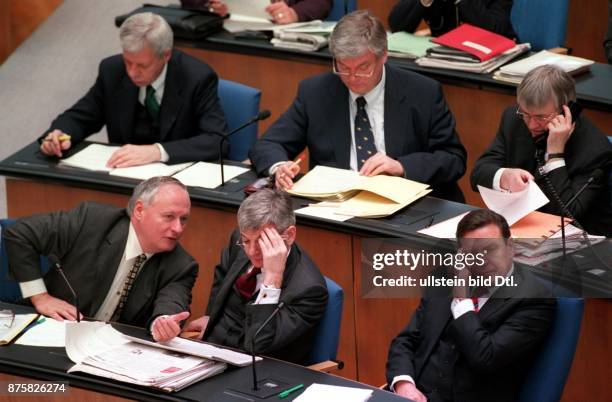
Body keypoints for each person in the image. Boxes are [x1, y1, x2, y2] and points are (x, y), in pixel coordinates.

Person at [249, 10, 467, 202]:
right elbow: (267, 144)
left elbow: (453, 159)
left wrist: (401, 166)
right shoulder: (316, 92)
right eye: (343, 67)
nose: (352, 78)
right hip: (337, 206)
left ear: (383, 56)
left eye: (363, 68)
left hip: (407, 209)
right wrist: (280, 168)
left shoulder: (422, 93)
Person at [386, 209, 556, 402]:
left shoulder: (533, 300)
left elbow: (486, 358)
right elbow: (406, 341)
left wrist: (461, 301)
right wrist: (404, 384)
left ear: (510, 247)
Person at [4, 176, 198, 339]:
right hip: (51, 330)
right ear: (139, 210)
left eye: (184, 219)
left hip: (109, 352)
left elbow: (172, 302)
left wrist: (163, 322)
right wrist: (41, 297)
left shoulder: (181, 265)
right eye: (169, 217)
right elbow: (19, 234)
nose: (178, 228)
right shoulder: (91, 222)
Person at [154, 189, 328, 364]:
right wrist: (211, 316)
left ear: (289, 235)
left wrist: (272, 279)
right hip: (210, 351)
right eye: (246, 241)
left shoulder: (309, 290)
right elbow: (222, 275)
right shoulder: (239, 239)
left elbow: (258, 345)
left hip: (257, 370)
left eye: (262, 242)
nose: (251, 251)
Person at [40, 12, 227, 167]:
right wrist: (59, 134)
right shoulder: (112, 70)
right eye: (128, 62)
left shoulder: (197, 77)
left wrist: (157, 151)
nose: (132, 72)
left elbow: (217, 140)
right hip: (123, 175)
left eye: (142, 65)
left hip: (175, 181)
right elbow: (81, 116)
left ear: (166, 55)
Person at [471, 65, 612, 236]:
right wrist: (504, 176)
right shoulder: (513, 119)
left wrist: (554, 155)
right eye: (525, 113)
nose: (531, 124)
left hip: (580, 243)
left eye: (541, 117)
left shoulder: (595, 150)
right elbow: (477, 175)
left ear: (566, 110)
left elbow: (567, 214)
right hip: (522, 230)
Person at [388, 0, 515, 38]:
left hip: (484, 63)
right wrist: (423, 2)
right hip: (440, 62)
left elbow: (497, 29)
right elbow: (397, 26)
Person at [182, 0, 332, 24]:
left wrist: (295, 13)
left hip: (281, 36)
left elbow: (322, 2)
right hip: (227, 30)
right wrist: (209, 6)